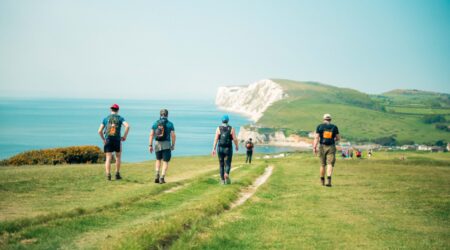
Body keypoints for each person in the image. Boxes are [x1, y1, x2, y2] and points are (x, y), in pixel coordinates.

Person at [98, 104, 130, 181]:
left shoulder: (106, 118)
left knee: (108, 158)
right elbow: (127, 126)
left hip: (108, 139)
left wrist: (103, 139)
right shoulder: (120, 118)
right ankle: (117, 174)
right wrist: (124, 136)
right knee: (118, 157)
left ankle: (108, 175)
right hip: (117, 140)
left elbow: (99, 131)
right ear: (118, 110)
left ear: (111, 109)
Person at [149, 109, 176, 184]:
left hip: (157, 144)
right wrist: (173, 145)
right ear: (167, 115)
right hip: (167, 144)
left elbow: (151, 135)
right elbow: (173, 135)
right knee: (165, 161)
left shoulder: (155, 123)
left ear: (160, 115)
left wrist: (150, 145)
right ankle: (162, 177)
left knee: (158, 160)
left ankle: (157, 174)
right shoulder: (170, 124)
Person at [313, 113, 340, 187]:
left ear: (323, 119)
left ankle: (322, 181)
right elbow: (338, 138)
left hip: (322, 146)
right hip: (331, 146)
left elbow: (316, 138)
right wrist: (333, 138)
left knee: (322, 165)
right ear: (330, 119)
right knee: (330, 164)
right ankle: (329, 181)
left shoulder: (319, 126)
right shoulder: (334, 127)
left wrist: (314, 147)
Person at [212, 115, 239, 184]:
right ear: (228, 120)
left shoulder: (218, 128)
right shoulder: (231, 128)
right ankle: (226, 174)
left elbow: (216, 139)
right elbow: (235, 139)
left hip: (220, 148)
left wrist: (214, 149)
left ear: (222, 120)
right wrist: (236, 146)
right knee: (228, 163)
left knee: (221, 164)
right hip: (228, 149)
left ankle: (222, 180)